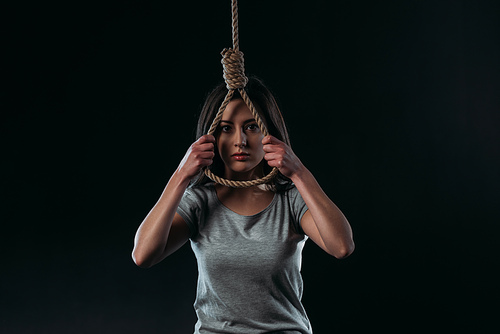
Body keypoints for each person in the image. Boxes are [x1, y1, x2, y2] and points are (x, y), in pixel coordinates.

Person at [132, 77, 355, 333]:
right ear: (212, 136)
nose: (240, 141)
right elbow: (142, 255)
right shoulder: (200, 201)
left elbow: (341, 246)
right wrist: (181, 175)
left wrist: (299, 172)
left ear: (268, 133)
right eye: (226, 128)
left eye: (251, 127)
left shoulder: (290, 199)